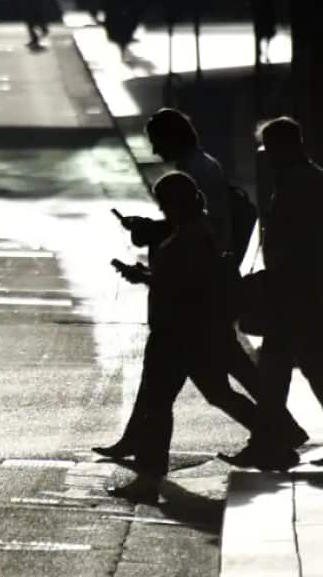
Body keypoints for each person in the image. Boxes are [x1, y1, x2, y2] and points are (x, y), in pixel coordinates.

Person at [93, 109, 306, 460]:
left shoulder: (197, 174)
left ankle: (275, 430)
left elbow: (196, 228)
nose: (154, 150)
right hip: (206, 292)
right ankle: (278, 428)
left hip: (199, 301)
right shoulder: (202, 166)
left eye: (157, 141)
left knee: (200, 379)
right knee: (211, 375)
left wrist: (152, 236)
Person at [107, 173, 260, 503]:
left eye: (164, 202)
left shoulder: (190, 237)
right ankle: (272, 432)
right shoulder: (192, 230)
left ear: (176, 203)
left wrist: (144, 277)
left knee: (157, 405)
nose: (162, 208)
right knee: (212, 393)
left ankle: (149, 478)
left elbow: (185, 286)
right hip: (186, 332)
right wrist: (148, 275)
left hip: (176, 333)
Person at [222, 118, 323, 470]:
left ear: (283, 147)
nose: (266, 157)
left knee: (283, 371)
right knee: (292, 369)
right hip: (298, 295)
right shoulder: (304, 179)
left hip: (297, 295)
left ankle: (268, 444)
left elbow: (299, 244)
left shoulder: (299, 184)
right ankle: (268, 443)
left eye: (269, 149)